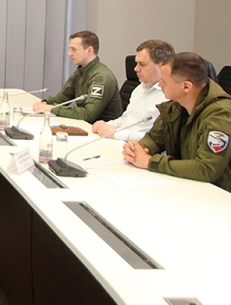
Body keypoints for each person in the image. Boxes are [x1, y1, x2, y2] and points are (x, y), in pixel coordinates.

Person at [123, 52, 231, 191]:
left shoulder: (221, 115)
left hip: (218, 194)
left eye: (164, 81)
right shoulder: (176, 105)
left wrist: (150, 162)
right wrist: (136, 150)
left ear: (186, 87)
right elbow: (154, 138)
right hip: (187, 186)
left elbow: (206, 168)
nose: (160, 85)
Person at [92, 39, 174, 141]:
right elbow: (126, 119)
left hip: (139, 147)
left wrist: (117, 134)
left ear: (161, 66)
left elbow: (158, 140)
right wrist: (106, 125)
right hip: (120, 142)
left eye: (142, 64)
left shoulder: (169, 97)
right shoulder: (140, 88)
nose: (136, 69)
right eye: (136, 63)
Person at [32, 30, 122, 123]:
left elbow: (88, 115)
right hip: (86, 125)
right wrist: (45, 103)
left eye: (74, 49)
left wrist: (52, 108)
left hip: (102, 129)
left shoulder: (101, 78)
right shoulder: (81, 71)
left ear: (89, 50)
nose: (69, 53)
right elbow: (63, 98)